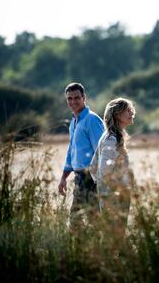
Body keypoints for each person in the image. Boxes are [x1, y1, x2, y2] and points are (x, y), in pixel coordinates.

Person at [57, 82, 104, 227]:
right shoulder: (74, 122)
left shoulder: (91, 119)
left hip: (91, 177)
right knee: (84, 219)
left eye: (76, 98)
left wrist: (98, 178)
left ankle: (98, 248)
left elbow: (102, 151)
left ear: (84, 98)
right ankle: (85, 248)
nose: (73, 102)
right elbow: (72, 152)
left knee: (87, 219)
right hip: (79, 177)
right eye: (69, 99)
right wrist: (64, 177)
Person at [89, 98, 135, 224]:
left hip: (111, 195)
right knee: (116, 237)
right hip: (115, 197)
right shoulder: (111, 139)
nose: (132, 113)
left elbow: (93, 167)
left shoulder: (111, 136)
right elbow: (103, 171)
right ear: (117, 114)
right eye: (128, 110)